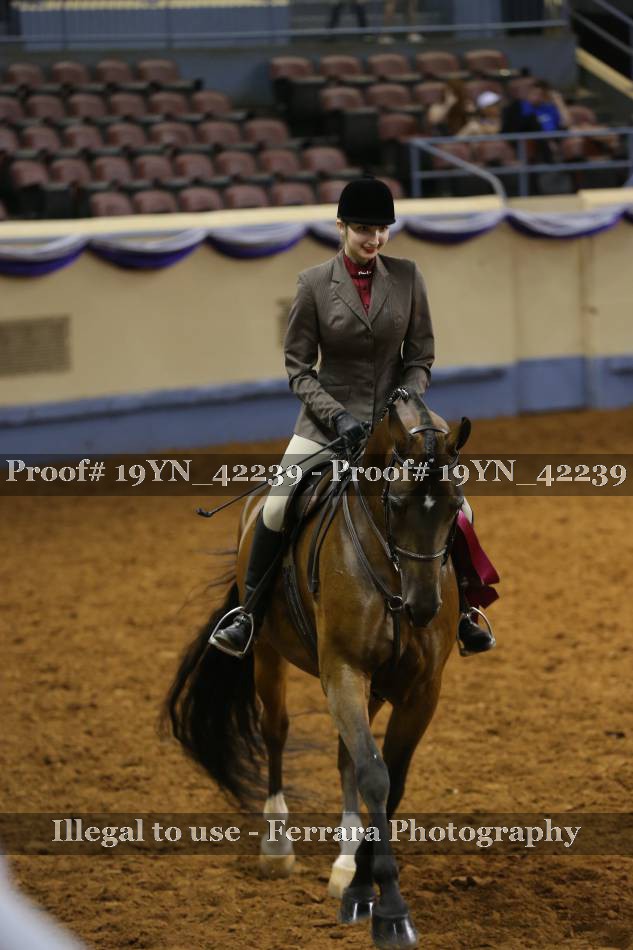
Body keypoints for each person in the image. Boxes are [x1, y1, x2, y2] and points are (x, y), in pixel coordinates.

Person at [210, 177, 497, 659]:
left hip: (398, 423)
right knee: (277, 506)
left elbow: (420, 357)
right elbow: (299, 370)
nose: (375, 239)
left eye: (382, 230)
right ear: (341, 226)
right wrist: (338, 418)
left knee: (458, 507)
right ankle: (248, 615)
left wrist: (405, 401)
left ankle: (466, 611)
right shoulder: (314, 284)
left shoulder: (407, 277)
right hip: (328, 423)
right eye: (364, 229)